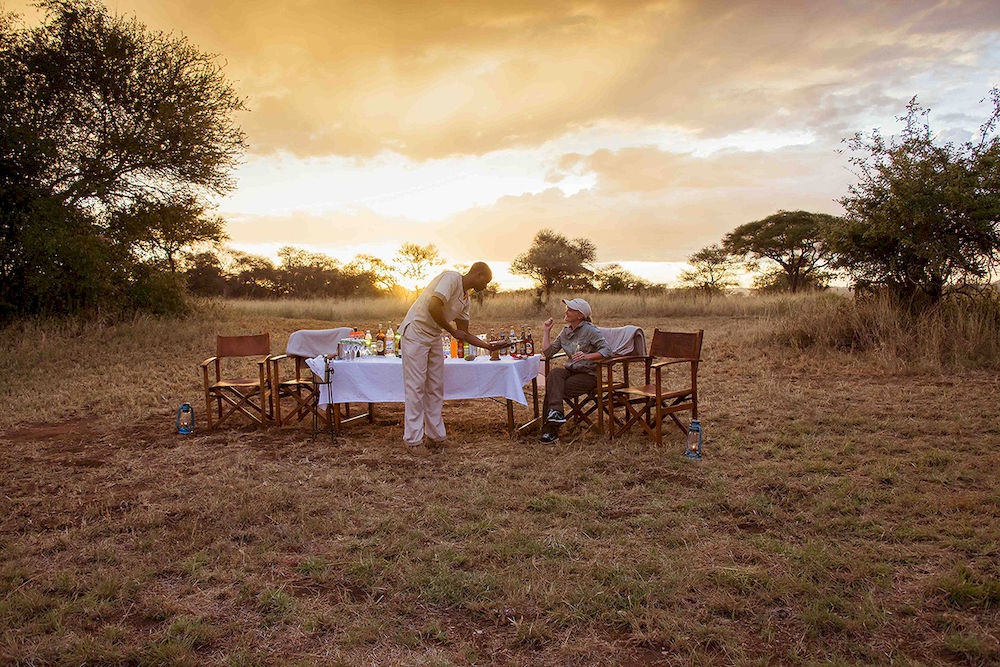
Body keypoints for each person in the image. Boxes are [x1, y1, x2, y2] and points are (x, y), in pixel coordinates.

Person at [397, 262, 503, 456]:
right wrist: (451, 330)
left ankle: (435, 436)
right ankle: (412, 440)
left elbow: (464, 332)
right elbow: (433, 306)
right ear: (477, 274)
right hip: (416, 331)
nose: (485, 286)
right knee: (416, 386)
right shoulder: (451, 278)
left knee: (435, 386)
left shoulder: (465, 299)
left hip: (434, 335)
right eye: (486, 281)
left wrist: (488, 346)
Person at [539, 298, 613, 445]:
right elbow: (548, 352)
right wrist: (546, 331)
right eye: (567, 308)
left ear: (580, 315)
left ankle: (550, 431)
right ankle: (556, 413)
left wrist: (587, 356)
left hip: (588, 375)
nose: (566, 311)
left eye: (570, 309)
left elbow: (607, 351)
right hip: (571, 371)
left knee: (554, 389)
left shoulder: (590, 330)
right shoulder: (565, 332)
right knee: (555, 373)